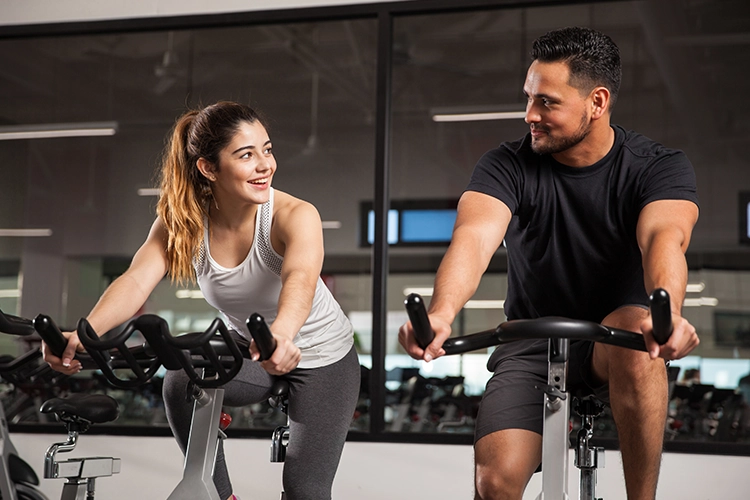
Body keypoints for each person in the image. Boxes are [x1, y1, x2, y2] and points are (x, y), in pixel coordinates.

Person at [399, 27, 700, 500]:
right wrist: (440, 314)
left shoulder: (657, 167)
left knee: (637, 329)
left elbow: (664, 240)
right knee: (494, 485)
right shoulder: (507, 164)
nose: (530, 115)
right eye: (528, 98)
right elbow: (474, 240)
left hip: (619, 341)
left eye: (547, 102)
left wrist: (672, 314)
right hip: (531, 341)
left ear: (597, 102)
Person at [42, 101, 360, 500]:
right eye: (246, 155)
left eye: (267, 149)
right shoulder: (185, 221)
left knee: (305, 490)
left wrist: (282, 334)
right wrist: (85, 334)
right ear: (209, 168)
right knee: (182, 376)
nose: (266, 164)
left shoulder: (294, 215)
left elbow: (300, 279)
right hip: (250, 350)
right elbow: (137, 280)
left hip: (324, 358)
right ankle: (218, 495)